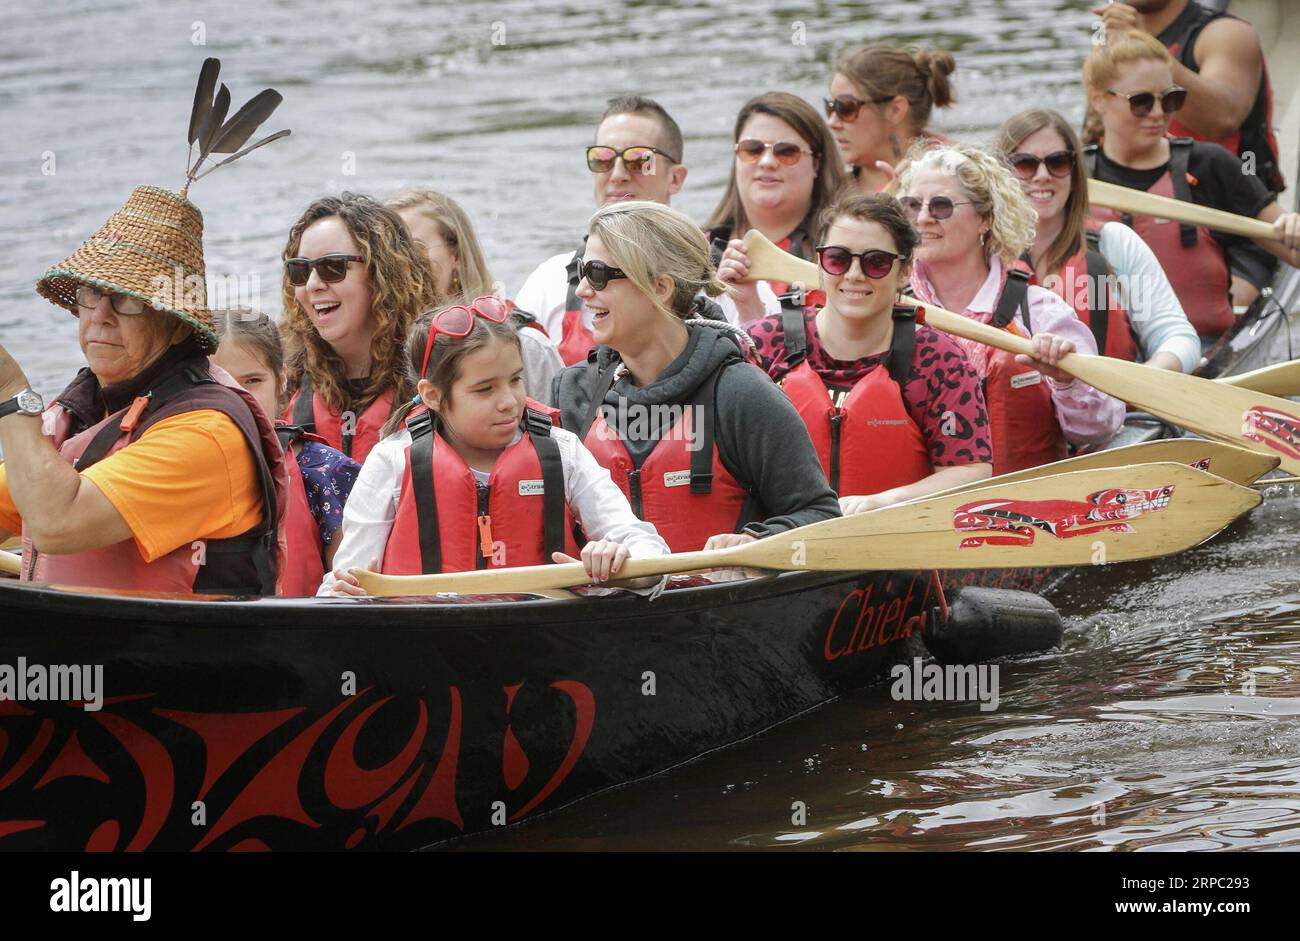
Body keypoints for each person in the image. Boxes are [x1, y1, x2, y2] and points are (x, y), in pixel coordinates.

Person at [0, 185, 286, 594]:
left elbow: (55, 524)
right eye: (91, 293)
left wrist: (11, 392)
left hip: (181, 656)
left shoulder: (209, 433)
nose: (100, 315)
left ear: (177, 326)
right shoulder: (87, 410)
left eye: (126, 300)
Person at [322, 298, 669, 595]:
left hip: (547, 647)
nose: (508, 401)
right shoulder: (391, 460)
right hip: (425, 652)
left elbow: (647, 552)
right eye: (485, 389)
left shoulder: (564, 451)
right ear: (433, 396)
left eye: (515, 380)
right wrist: (344, 593)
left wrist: (623, 563)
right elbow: (339, 585)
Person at [552, 200, 842, 554]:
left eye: (597, 274)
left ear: (660, 287)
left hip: (721, 604)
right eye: (581, 271)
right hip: (608, 605)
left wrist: (754, 542)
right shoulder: (572, 392)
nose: (582, 289)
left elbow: (821, 515)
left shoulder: (742, 394)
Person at [746, 192, 993, 514]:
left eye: (876, 261)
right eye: (838, 258)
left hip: (890, 548)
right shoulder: (763, 345)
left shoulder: (939, 360)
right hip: (780, 545)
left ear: (904, 272)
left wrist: (883, 502)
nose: (854, 274)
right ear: (820, 264)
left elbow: (972, 470)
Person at [898, 143, 1126, 474]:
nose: (922, 218)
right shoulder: (890, 307)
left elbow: (1100, 428)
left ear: (984, 220)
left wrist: (1066, 382)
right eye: (912, 205)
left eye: (941, 206)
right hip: (917, 508)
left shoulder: (1039, 311)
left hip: (1022, 508)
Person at [1082, 31, 1300, 341]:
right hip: (1108, 357)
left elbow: (1292, 250)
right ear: (1099, 99)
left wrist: (1292, 227)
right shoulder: (1070, 176)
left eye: (1171, 99)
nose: (1159, 114)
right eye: (1141, 102)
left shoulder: (1210, 164)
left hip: (1201, 347)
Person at [993, 109, 1199, 372]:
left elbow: (1176, 337)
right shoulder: (983, 255)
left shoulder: (1114, 243)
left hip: (1113, 408)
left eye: (1057, 162)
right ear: (1001, 175)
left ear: (1074, 171)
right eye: (1024, 164)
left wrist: (1141, 383)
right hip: (1018, 410)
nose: (1042, 175)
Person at [515, 96, 689, 366]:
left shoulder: (715, 284)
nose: (617, 174)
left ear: (675, 178)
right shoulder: (548, 283)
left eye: (639, 159)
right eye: (603, 158)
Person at [280, 191, 439, 464]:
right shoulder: (280, 379)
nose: (312, 284)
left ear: (381, 274)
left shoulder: (439, 368)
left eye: (333, 266)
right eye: (300, 270)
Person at [211, 308, 360, 595]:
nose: (236, 397)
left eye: (252, 381)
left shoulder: (324, 472)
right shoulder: (169, 468)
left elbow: (356, 573)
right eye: (218, 383)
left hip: (298, 634)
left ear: (281, 381)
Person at [1092, 1, 1286, 195]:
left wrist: (1145, 47)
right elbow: (1094, 126)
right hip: (1142, 196)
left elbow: (1222, 119)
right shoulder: (1107, 35)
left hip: (1225, 204)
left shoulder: (1229, 34)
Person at [386, 187, 563, 401]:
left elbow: (561, 429)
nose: (400, 261)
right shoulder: (374, 350)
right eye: (389, 252)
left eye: (415, 249)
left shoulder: (526, 345)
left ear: (457, 255)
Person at [708, 92, 849, 325]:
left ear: (816, 164)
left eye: (786, 152)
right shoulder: (694, 254)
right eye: (752, 149)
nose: (766, 162)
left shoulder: (847, 260)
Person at [825, 43, 957, 195]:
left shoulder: (959, 176)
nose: (831, 122)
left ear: (896, 110)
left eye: (846, 108)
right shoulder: (825, 188)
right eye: (830, 107)